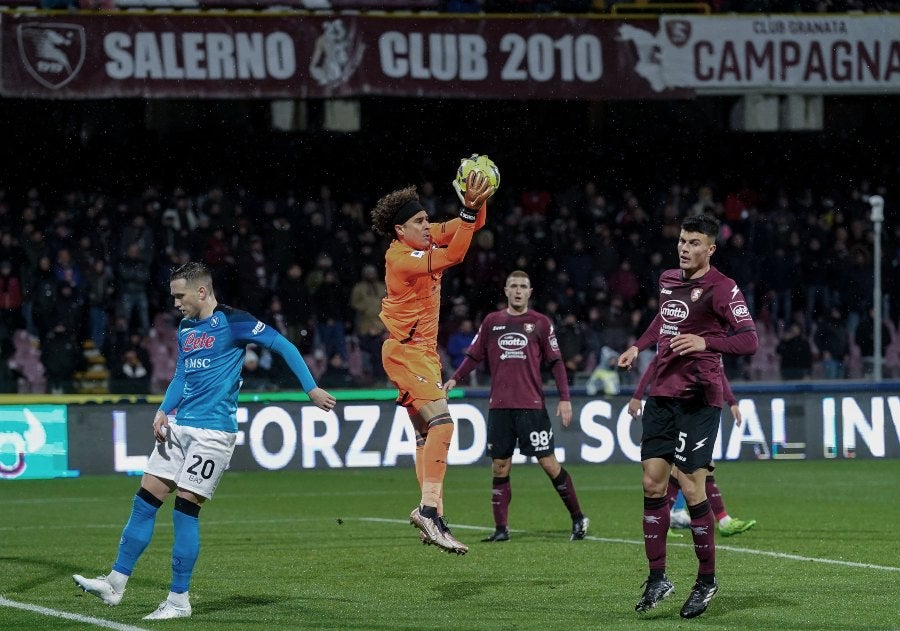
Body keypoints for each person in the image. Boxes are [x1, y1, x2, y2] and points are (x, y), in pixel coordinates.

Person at [73, 261, 336, 620]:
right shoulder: (185, 328)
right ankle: (115, 583)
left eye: (180, 296)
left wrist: (311, 388)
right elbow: (182, 373)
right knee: (145, 501)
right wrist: (164, 409)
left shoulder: (235, 321)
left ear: (201, 291)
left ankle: (179, 600)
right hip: (180, 426)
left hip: (213, 433)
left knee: (185, 510)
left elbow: (284, 345)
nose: (176, 303)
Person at [617, 214, 758, 619]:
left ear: (710, 249)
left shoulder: (722, 288)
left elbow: (749, 339)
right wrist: (638, 346)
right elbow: (665, 319)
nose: (684, 247)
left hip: (700, 398)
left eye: (694, 242)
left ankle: (706, 581)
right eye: (682, 240)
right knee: (651, 482)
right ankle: (658, 577)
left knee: (694, 488)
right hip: (662, 393)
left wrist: (707, 340)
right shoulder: (667, 280)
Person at [371, 168, 493, 555]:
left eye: (427, 219)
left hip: (423, 354)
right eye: (420, 221)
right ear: (399, 230)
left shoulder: (419, 239)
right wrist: (469, 215)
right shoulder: (402, 259)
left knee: (426, 435)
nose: (428, 226)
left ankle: (434, 518)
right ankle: (427, 511)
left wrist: (476, 203)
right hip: (405, 352)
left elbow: (466, 226)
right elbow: (456, 252)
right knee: (443, 424)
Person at [444, 270, 589, 543]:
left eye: (523, 286)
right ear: (506, 290)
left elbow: (557, 363)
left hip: (531, 406)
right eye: (514, 286)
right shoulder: (492, 322)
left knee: (548, 463)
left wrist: (565, 399)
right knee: (500, 466)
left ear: (530, 291)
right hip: (499, 406)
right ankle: (501, 529)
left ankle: (578, 517)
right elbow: (474, 355)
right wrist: (455, 378)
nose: (519, 290)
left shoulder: (541, 323)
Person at [629, 356, 756, 537]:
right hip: (675, 408)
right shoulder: (684, 335)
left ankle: (719, 520)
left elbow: (719, 373)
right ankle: (715, 520)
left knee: (702, 466)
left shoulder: (712, 342)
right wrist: (637, 396)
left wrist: (732, 402)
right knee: (688, 467)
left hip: (697, 409)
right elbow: (654, 365)